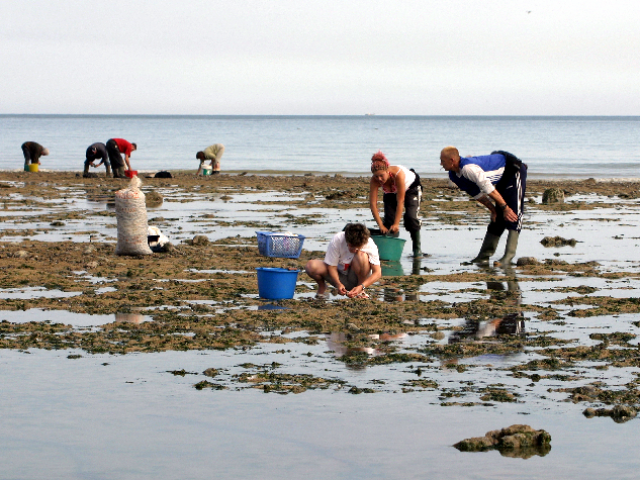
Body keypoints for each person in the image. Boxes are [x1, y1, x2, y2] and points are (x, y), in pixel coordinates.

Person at [440, 146, 528, 266]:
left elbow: (489, 190)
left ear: (452, 161)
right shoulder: (453, 175)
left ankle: (508, 257)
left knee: (513, 213)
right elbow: (477, 194)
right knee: (497, 218)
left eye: (443, 161)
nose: (441, 163)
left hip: (512, 170)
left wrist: (505, 208)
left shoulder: (469, 169)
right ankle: (483, 256)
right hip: (501, 178)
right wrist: (493, 210)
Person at [305, 223, 382, 299]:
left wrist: (361, 286)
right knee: (311, 266)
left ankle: (360, 291)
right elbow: (332, 266)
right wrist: (338, 284)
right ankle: (322, 287)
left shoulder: (370, 244)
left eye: (358, 247)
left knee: (362, 255)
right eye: (352, 246)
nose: (354, 250)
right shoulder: (338, 239)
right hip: (339, 275)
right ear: (346, 240)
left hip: (356, 278)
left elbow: (377, 273)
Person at [369, 151, 423, 256]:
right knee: (388, 224)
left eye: (381, 176)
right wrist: (381, 225)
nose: (379, 179)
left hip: (411, 189)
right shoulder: (374, 181)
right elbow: (372, 204)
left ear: (387, 171)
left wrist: (397, 223)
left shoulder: (398, 174)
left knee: (410, 218)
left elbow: (401, 201)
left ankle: (417, 249)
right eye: (376, 176)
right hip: (391, 192)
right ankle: (388, 250)